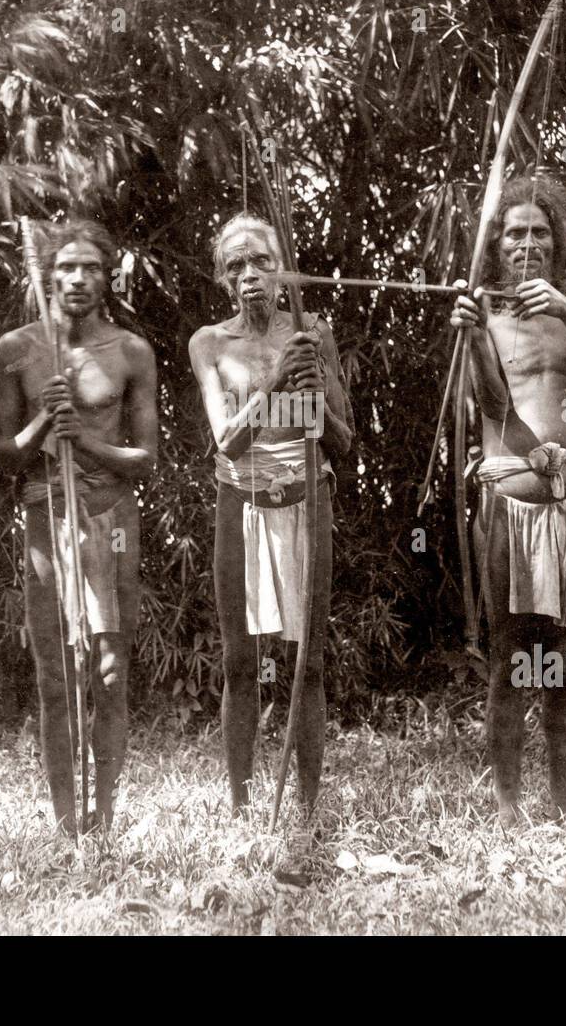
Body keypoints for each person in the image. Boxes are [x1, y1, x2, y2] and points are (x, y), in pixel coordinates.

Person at [450, 175, 566, 826]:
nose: (527, 243)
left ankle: (562, 807)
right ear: (497, 245)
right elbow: (495, 406)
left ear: (556, 240)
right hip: (508, 500)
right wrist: (475, 338)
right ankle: (507, 807)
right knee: (508, 657)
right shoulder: (488, 312)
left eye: (539, 231)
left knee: (562, 656)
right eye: (514, 232)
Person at [0, 219, 157, 835]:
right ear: (47, 276)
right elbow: (3, 459)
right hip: (46, 517)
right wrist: (43, 423)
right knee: (56, 674)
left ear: (108, 275)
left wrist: (83, 439)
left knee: (110, 672)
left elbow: (146, 459)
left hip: (113, 518)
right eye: (65, 268)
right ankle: (67, 822)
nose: (78, 279)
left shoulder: (131, 351)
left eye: (91, 267)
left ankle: (105, 815)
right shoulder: (17, 349)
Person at [188, 213, 353, 817]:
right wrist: (276, 384)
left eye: (261, 261)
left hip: (308, 497)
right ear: (221, 278)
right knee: (239, 660)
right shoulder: (210, 342)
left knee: (307, 657)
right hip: (241, 500)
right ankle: (239, 804)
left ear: (284, 268)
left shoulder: (314, 334)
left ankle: (307, 806)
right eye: (236, 265)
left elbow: (344, 442)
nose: (250, 274)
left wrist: (316, 404)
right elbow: (226, 442)